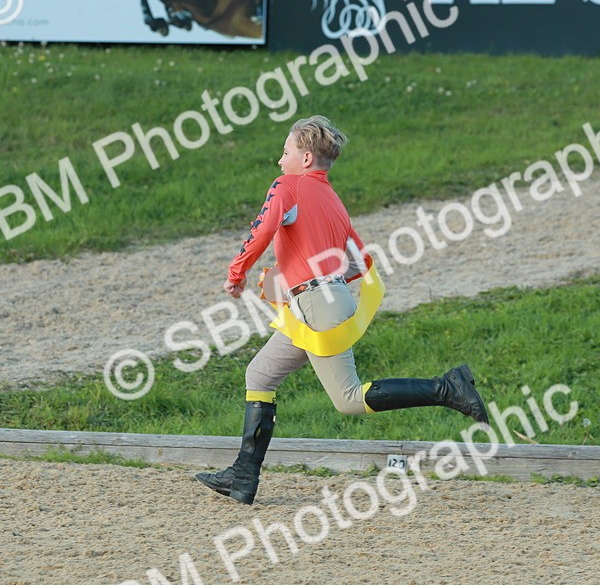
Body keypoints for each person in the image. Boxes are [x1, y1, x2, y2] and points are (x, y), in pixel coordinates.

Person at [196, 115, 489, 505]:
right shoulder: (333, 200)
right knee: (260, 373)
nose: (278, 161)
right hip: (323, 301)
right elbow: (357, 262)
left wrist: (237, 273)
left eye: (285, 152)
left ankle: (447, 388)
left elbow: (263, 227)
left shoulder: (289, 185)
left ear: (304, 157)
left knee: (348, 398)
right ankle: (243, 477)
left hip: (316, 305)